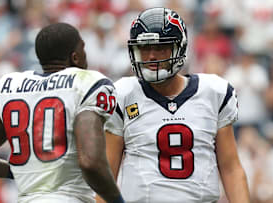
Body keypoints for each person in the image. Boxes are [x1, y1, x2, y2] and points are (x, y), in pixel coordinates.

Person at [0, 23, 124, 203]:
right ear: (75, 57)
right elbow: (90, 162)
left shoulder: (10, 85)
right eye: (83, 49)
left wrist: (22, 171)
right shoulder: (88, 83)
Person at [97, 8, 250, 203]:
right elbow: (106, 175)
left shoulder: (214, 92)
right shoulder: (123, 94)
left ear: (179, 48)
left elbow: (230, 167)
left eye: (160, 47)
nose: (151, 56)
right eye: (144, 48)